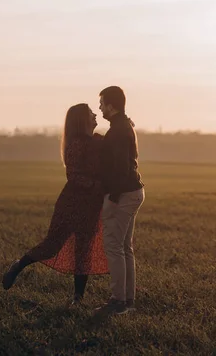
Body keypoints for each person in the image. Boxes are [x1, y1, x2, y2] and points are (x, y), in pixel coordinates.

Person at [2, 103, 108, 305]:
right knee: (52, 245)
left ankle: (78, 297)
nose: (95, 114)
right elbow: (73, 175)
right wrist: (95, 185)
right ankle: (18, 266)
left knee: (83, 251)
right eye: (90, 113)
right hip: (72, 203)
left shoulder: (97, 141)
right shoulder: (76, 143)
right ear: (82, 120)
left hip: (91, 205)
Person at [94, 86, 145, 315]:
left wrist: (112, 199)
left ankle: (118, 301)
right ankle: (128, 301)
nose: (100, 107)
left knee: (114, 247)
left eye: (102, 103)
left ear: (111, 106)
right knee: (125, 248)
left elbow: (120, 169)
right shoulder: (124, 126)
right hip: (133, 192)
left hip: (123, 195)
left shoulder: (118, 131)